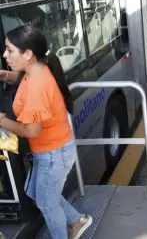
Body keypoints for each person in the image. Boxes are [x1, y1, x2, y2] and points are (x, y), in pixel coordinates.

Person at [0, 26, 92, 239]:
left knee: (46, 204)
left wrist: (2, 121)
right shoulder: (36, 70)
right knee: (35, 193)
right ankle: (77, 220)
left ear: (28, 54)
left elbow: (31, 130)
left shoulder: (37, 87)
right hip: (50, 150)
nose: (5, 55)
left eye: (9, 50)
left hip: (53, 154)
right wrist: (4, 75)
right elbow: (21, 79)